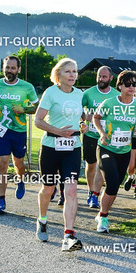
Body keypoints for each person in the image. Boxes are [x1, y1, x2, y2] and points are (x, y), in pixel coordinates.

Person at [34, 58, 87, 251]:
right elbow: (38, 121)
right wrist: (58, 131)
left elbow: (82, 117)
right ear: (58, 74)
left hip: (73, 147)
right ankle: (42, 220)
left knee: (71, 190)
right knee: (48, 188)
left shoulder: (80, 94)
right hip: (51, 146)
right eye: (68, 71)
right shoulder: (51, 92)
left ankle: (68, 235)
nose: (72, 75)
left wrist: (84, 125)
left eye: (74, 71)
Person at [93, 70, 136, 232]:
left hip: (124, 151)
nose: (131, 87)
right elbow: (96, 117)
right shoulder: (110, 103)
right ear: (119, 86)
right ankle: (103, 217)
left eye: (134, 84)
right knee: (112, 182)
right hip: (106, 148)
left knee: (114, 187)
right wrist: (102, 133)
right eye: (127, 84)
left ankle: (102, 212)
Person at [0, 55, 38, 214]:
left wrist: (24, 109)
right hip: (2, 130)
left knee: (18, 163)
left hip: (19, 131)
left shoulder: (27, 87)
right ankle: (1, 200)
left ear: (18, 69)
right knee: (3, 163)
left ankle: (20, 180)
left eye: (13, 68)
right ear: (3, 68)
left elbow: (37, 107)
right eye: (7, 67)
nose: (10, 70)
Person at [81, 66, 119, 209]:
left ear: (111, 78)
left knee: (102, 166)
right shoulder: (88, 93)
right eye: (99, 76)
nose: (101, 79)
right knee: (91, 165)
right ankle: (91, 191)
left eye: (104, 77)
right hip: (91, 134)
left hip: (107, 137)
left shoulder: (116, 95)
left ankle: (95, 194)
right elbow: (77, 109)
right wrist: (84, 118)